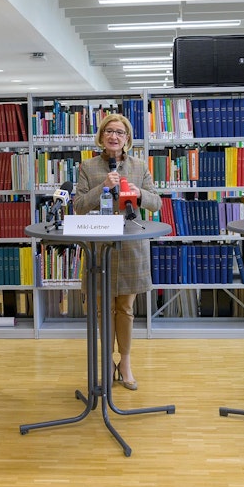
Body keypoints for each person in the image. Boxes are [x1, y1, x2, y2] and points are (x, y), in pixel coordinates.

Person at [74, 114, 160, 390]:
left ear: (127, 139)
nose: (114, 136)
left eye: (120, 132)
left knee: (125, 307)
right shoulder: (88, 166)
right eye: (109, 131)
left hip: (131, 247)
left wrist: (139, 194)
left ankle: (125, 362)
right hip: (101, 248)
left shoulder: (138, 166)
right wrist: (104, 187)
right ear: (101, 137)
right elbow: (78, 205)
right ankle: (106, 361)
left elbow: (156, 203)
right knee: (104, 309)